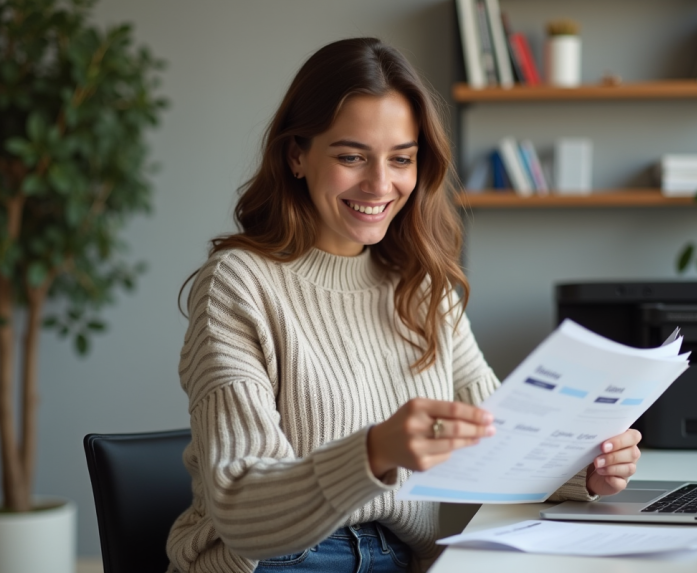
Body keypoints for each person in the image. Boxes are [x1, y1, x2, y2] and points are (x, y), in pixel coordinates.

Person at [166, 37, 641, 573]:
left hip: (399, 560)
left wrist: (584, 471)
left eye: (402, 159)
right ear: (296, 155)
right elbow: (241, 510)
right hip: (276, 561)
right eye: (351, 157)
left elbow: (497, 437)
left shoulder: (421, 286)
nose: (379, 184)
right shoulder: (238, 284)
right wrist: (374, 452)